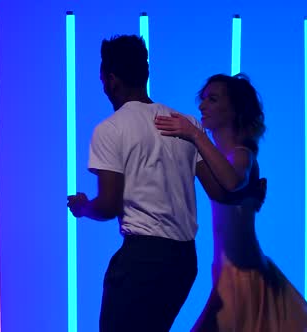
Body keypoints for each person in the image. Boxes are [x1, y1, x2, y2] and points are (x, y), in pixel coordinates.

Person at [66, 36, 265, 332]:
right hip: (183, 262)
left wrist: (83, 208)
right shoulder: (183, 123)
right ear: (145, 73)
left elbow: (108, 206)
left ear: (110, 80)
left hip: (142, 260)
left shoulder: (110, 129)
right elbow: (218, 191)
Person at [154, 73, 307, 331]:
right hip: (229, 275)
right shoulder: (217, 154)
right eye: (202, 100)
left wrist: (194, 135)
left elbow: (232, 181)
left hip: (244, 278)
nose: (202, 106)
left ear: (235, 110)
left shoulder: (241, 155)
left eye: (212, 99)